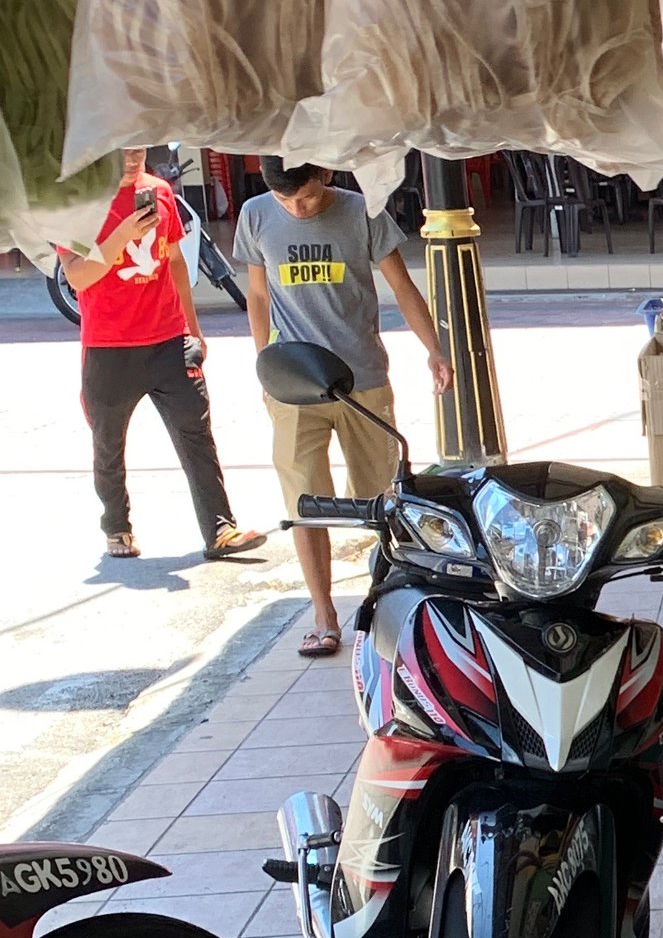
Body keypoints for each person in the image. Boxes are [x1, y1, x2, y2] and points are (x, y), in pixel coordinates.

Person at [235, 160, 453, 659]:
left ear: (325, 177)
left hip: (362, 382)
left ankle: (391, 607)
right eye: (286, 201)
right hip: (292, 382)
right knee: (303, 504)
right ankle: (324, 616)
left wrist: (433, 349)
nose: (297, 208)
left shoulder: (363, 212)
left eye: (306, 198)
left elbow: (401, 286)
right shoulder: (255, 214)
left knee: (383, 501)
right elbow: (257, 294)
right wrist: (264, 364)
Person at [62, 147, 264, 566]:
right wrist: (124, 232)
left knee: (197, 434)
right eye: (120, 151)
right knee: (108, 443)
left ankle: (220, 528)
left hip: (168, 339)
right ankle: (116, 525)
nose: (132, 159)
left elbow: (173, 261)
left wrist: (193, 328)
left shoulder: (159, 192)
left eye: (139, 149)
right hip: (109, 347)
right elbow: (79, 275)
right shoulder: (78, 200)